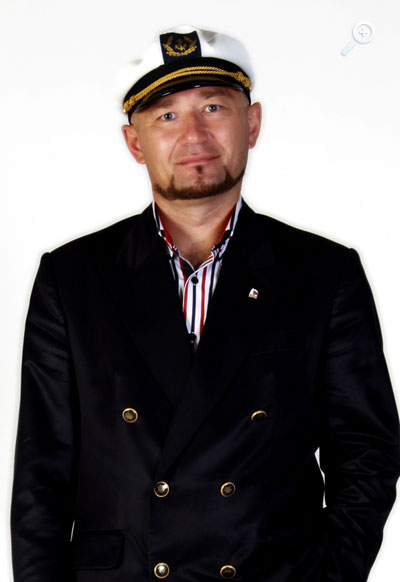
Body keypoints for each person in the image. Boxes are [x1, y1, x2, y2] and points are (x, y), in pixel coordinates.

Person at [11, 24, 400, 582]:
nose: (193, 134)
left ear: (253, 123)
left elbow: (367, 452)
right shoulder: (72, 278)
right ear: (135, 143)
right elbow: (41, 475)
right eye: (167, 116)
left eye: (213, 107)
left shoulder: (324, 274)